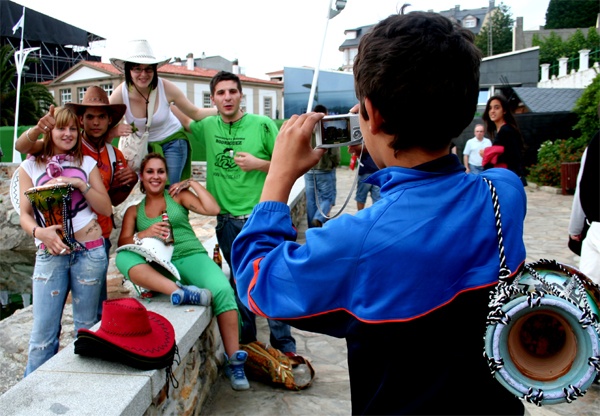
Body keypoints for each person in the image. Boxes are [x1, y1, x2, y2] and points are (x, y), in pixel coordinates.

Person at [232, 8, 526, 415]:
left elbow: (258, 282)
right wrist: (379, 140)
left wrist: (277, 177)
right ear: (463, 108)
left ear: (371, 112)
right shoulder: (505, 192)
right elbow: (421, 196)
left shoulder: (358, 243)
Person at [174, 71, 297, 358]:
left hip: (261, 218)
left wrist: (258, 163)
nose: (227, 97)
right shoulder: (207, 126)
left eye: (232, 91)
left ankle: (285, 348)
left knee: (273, 280)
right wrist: (153, 93)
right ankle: (250, 346)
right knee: (242, 283)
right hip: (227, 222)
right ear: (213, 98)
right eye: (221, 93)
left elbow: (288, 163)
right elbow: (179, 114)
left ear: (240, 94)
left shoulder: (263, 125)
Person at [115, 153, 249, 390]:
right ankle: (180, 291)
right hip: (160, 264)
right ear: (142, 177)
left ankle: (234, 360)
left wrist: (192, 183)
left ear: (166, 175)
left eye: (160, 172)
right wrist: (144, 234)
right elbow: (123, 242)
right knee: (123, 258)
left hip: (190, 255)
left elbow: (213, 208)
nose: (155, 176)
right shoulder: (134, 210)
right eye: (150, 172)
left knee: (222, 291)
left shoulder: (177, 196)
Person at [15, 87, 138, 320]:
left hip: (97, 240)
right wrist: (40, 129)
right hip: (55, 242)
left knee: (93, 317)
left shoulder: (112, 155)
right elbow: (23, 148)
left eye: (101, 117)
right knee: (47, 324)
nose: (95, 122)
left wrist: (129, 183)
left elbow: (110, 201)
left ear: (109, 119)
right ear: (82, 119)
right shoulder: (62, 147)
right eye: (89, 117)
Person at [19, 106, 112, 376]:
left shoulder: (86, 163)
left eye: (73, 129)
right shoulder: (31, 164)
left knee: (86, 329)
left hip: (90, 252)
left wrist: (81, 185)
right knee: (42, 338)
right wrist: (40, 233)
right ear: (51, 130)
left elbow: (106, 208)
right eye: (62, 128)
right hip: (50, 253)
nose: (68, 134)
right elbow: (25, 216)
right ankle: (32, 401)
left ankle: (84, 393)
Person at [109, 39, 216, 185]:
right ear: (128, 70)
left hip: (172, 141)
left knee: (170, 187)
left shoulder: (165, 87)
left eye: (148, 69)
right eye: (137, 69)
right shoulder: (120, 94)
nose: (143, 74)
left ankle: (173, 208)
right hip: (142, 147)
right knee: (150, 188)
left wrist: (221, 110)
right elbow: (103, 125)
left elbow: (195, 112)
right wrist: (115, 131)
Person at [569, 129, 599, 284]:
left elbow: (584, 187)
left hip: (597, 227)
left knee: (590, 290)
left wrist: (574, 228)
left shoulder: (596, 143)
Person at [305, 104, 340, 227]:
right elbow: (335, 152)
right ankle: (319, 219)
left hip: (309, 170)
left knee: (311, 201)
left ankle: (311, 228)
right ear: (326, 113)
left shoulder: (307, 129)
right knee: (327, 198)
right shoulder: (329, 128)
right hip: (325, 169)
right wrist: (335, 163)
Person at [481, 95, 526, 183]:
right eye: (490, 108)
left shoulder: (506, 130)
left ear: (504, 111)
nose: (492, 111)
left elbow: (511, 156)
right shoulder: (503, 130)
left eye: (496, 108)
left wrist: (486, 153)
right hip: (505, 176)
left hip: (506, 177)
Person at [348, 143, 380, 210]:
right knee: (377, 198)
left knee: (361, 197)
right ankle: (377, 217)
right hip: (376, 170)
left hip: (367, 171)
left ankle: (360, 216)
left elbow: (351, 150)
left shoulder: (363, 138)